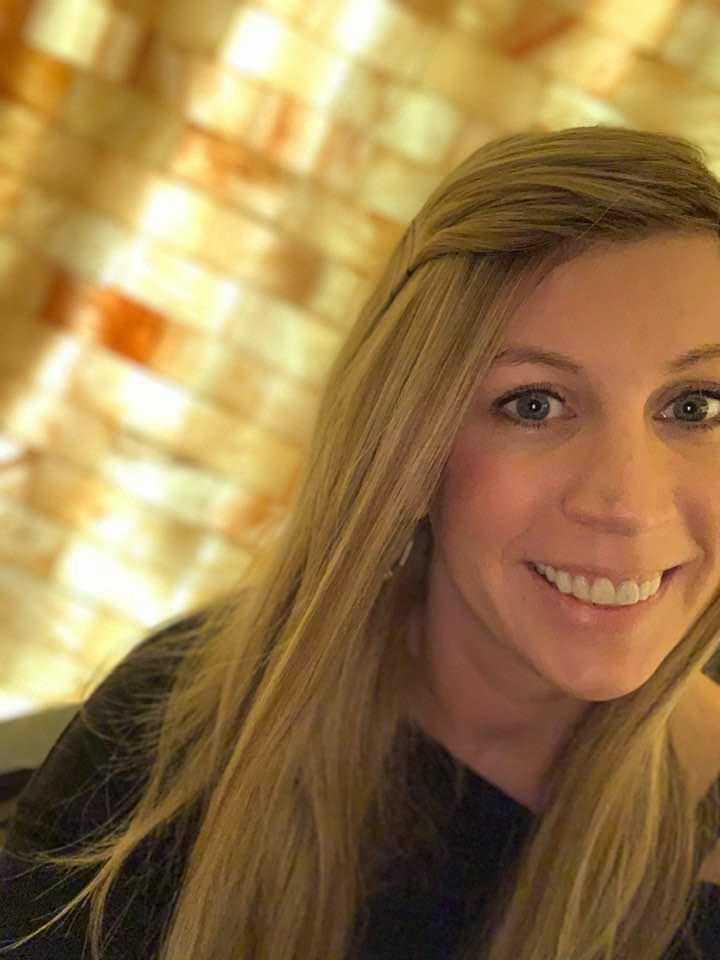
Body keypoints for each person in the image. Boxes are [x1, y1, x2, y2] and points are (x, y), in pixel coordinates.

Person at [2, 125, 720, 960]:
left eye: (696, 406)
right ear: (409, 448)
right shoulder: (179, 712)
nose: (627, 504)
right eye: (534, 404)